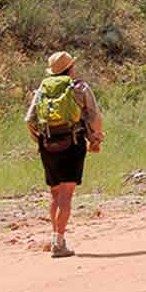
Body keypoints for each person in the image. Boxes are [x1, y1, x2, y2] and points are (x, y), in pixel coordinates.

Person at [24, 51, 104, 258]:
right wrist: (95, 140)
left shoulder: (42, 89)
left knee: (55, 194)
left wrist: (41, 141)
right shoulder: (79, 87)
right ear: (71, 68)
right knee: (66, 195)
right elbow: (94, 116)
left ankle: (55, 237)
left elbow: (29, 120)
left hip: (47, 144)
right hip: (72, 143)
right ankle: (59, 243)